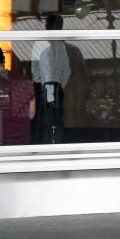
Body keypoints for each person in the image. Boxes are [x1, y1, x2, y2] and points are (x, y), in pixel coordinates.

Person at [32, 14, 72, 144]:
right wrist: (59, 87)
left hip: (44, 89)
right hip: (55, 88)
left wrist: (49, 93)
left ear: (46, 25)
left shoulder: (41, 42)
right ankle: (55, 145)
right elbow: (67, 71)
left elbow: (43, 71)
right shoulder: (60, 45)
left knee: (45, 123)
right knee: (57, 121)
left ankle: (45, 147)